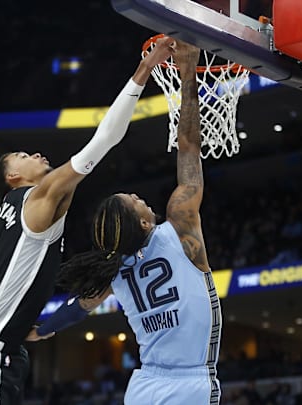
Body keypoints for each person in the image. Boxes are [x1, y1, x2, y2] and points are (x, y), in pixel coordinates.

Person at [0, 36, 177, 405]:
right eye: (22, 155)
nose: (36, 153)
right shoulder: (37, 200)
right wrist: (144, 70)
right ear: (12, 177)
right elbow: (103, 140)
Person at [28, 40, 222, 404]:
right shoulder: (179, 228)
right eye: (134, 201)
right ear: (144, 224)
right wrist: (188, 75)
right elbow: (189, 148)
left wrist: (42, 332)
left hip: (145, 385)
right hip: (189, 382)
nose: (140, 197)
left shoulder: (113, 268)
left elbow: (78, 309)